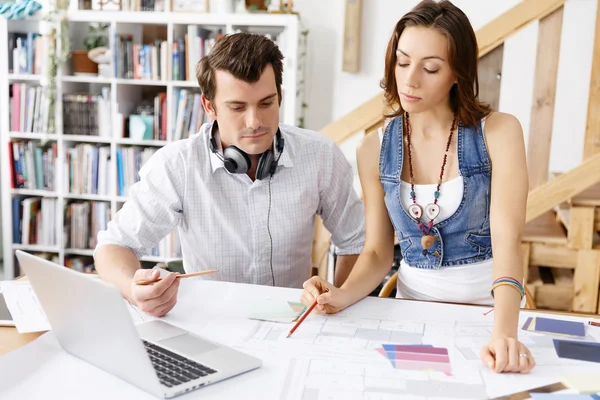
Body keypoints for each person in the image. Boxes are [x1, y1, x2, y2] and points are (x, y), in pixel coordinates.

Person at [300, 0, 535, 374]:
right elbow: (378, 251)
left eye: (430, 68)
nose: (410, 80)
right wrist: (341, 294)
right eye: (402, 62)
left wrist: (503, 332)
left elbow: (508, 243)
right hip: (410, 313)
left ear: (458, 73)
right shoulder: (372, 148)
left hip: (489, 314)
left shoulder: (499, 133)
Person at [93, 33, 365, 318]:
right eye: (237, 107)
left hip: (292, 321)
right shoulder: (178, 165)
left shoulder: (321, 156)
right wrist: (132, 289)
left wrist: (339, 304)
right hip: (211, 321)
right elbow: (114, 246)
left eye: (266, 103)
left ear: (279, 97)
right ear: (210, 107)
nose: (255, 122)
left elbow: (356, 242)